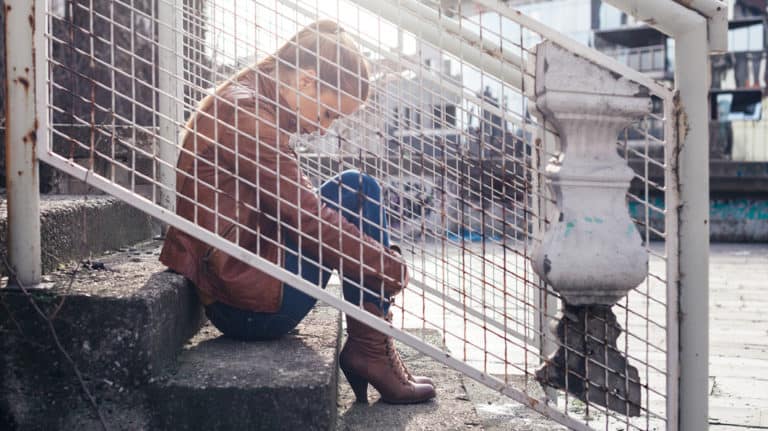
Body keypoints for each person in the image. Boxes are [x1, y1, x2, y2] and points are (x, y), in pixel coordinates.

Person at [159, 20, 436, 404]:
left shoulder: (248, 100)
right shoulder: (248, 117)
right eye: (327, 114)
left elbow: (301, 212)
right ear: (307, 81)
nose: (324, 129)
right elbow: (307, 219)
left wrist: (377, 262)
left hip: (245, 276)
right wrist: (388, 267)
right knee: (359, 190)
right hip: (247, 306)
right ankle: (370, 350)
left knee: (353, 189)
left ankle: (370, 348)